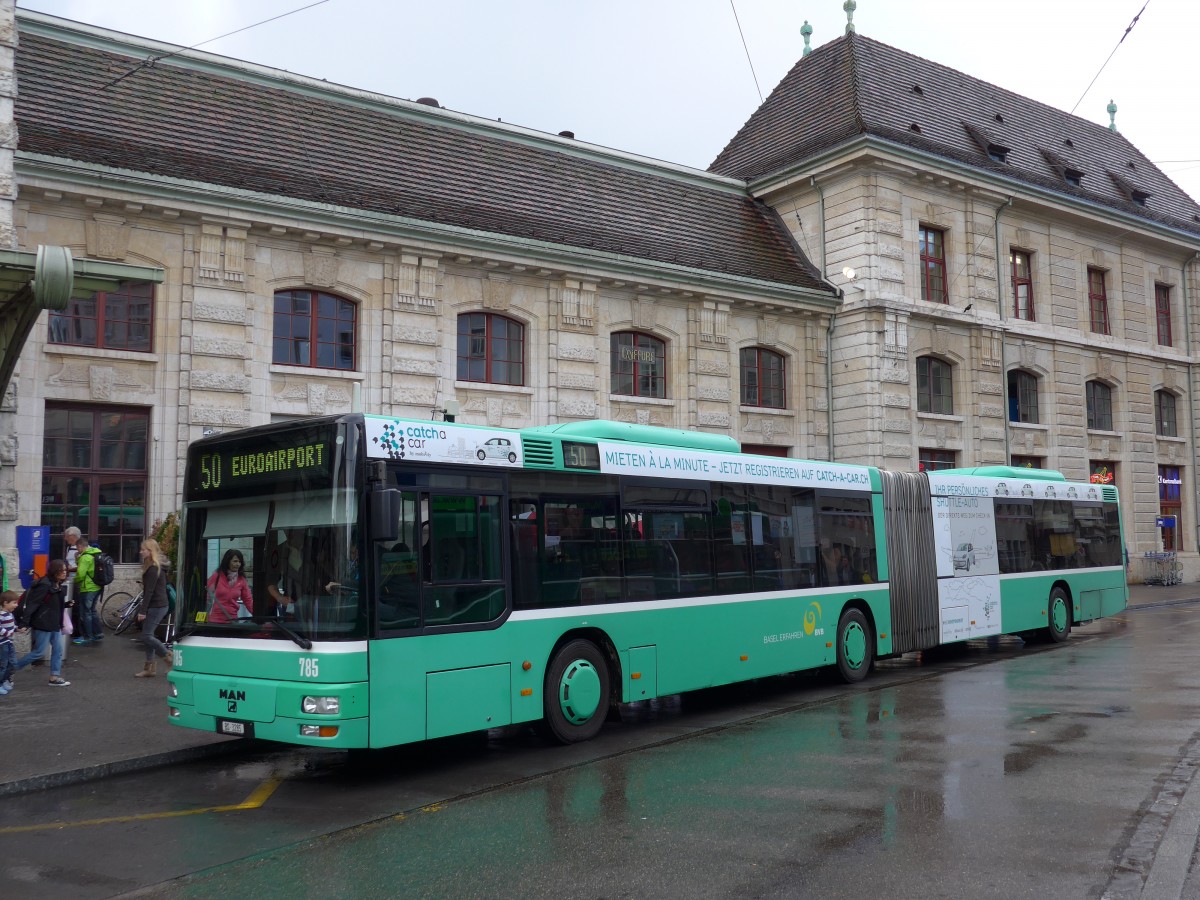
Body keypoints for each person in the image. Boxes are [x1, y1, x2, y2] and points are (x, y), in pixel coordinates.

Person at [12, 559, 72, 686]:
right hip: (43, 623)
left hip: (54, 623)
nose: (64, 572)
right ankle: (10, 669)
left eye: (65, 570)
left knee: (58, 649)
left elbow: (51, 604)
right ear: (55, 571)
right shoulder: (45, 585)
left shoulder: (57, 584)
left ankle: (54, 677)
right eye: (62, 570)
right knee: (39, 652)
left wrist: (66, 604)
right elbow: (33, 604)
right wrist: (24, 622)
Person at [134, 539, 171, 678]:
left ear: (150, 551)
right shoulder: (152, 565)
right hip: (158, 604)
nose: (141, 552)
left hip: (157, 605)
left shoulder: (153, 568)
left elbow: (149, 591)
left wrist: (142, 611)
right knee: (148, 635)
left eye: (143, 549)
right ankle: (150, 668)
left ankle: (168, 658)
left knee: (147, 636)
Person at [72, 535, 104, 646]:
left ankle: (88, 636)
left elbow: (81, 574)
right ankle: (98, 633)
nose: (77, 550)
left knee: (86, 613)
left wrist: (74, 580)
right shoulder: (96, 553)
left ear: (80, 546)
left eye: (77, 548)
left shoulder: (85, 557)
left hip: (87, 588)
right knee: (92, 611)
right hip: (97, 587)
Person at [206, 549, 252, 624]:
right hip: (215, 622)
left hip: (232, 622)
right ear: (227, 562)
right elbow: (206, 597)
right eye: (235, 561)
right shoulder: (216, 576)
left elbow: (248, 601)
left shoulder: (242, 580)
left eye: (240, 562)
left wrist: (261, 620)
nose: (238, 564)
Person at [0, 589, 19, 695]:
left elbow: (11, 626)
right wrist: (7, 633)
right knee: (3, 665)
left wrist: (17, 629)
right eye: (14, 603)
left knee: (12, 664)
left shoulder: (10, 615)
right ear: (5, 603)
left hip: (9, 642)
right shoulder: (1, 615)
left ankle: (4, 681)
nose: (16, 605)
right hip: (3, 644)